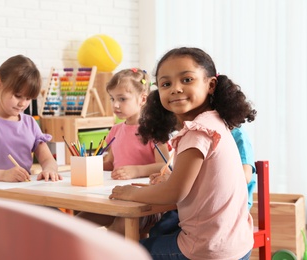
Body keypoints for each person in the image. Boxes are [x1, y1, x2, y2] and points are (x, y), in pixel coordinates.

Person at [109, 47, 256, 260]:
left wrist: (130, 193)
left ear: (211, 84)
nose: (176, 89)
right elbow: (196, 180)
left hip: (207, 249)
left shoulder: (198, 131)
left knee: (124, 251)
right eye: (166, 84)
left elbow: (175, 193)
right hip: (237, 244)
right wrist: (171, 178)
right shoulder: (215, 122)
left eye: (187, 80)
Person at [77, 68, 169, 234]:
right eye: (112, 98)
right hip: (115, 196)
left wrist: (136, 170)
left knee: (117, 231)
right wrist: (89, 165)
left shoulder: (154, 130)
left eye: (122, 99)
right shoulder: (115, 130)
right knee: (76, 224)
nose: (115, 105)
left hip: (145, 203)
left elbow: (164, 166)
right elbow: (111, 163)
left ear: (142, 99)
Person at [0, 55, 62, 182]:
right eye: (18, 96)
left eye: (28, 98)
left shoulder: (30, 123)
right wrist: (3, 175)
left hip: (21, 195)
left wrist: (50, 169)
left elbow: (47, 160)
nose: (23, 104)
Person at [148, 125, 257, 237]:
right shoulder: (203, 133)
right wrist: (173, 177)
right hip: (199, 203)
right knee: (158, 230)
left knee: (160, 232)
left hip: (227, 208)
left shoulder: (237, 135)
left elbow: (245, 177)